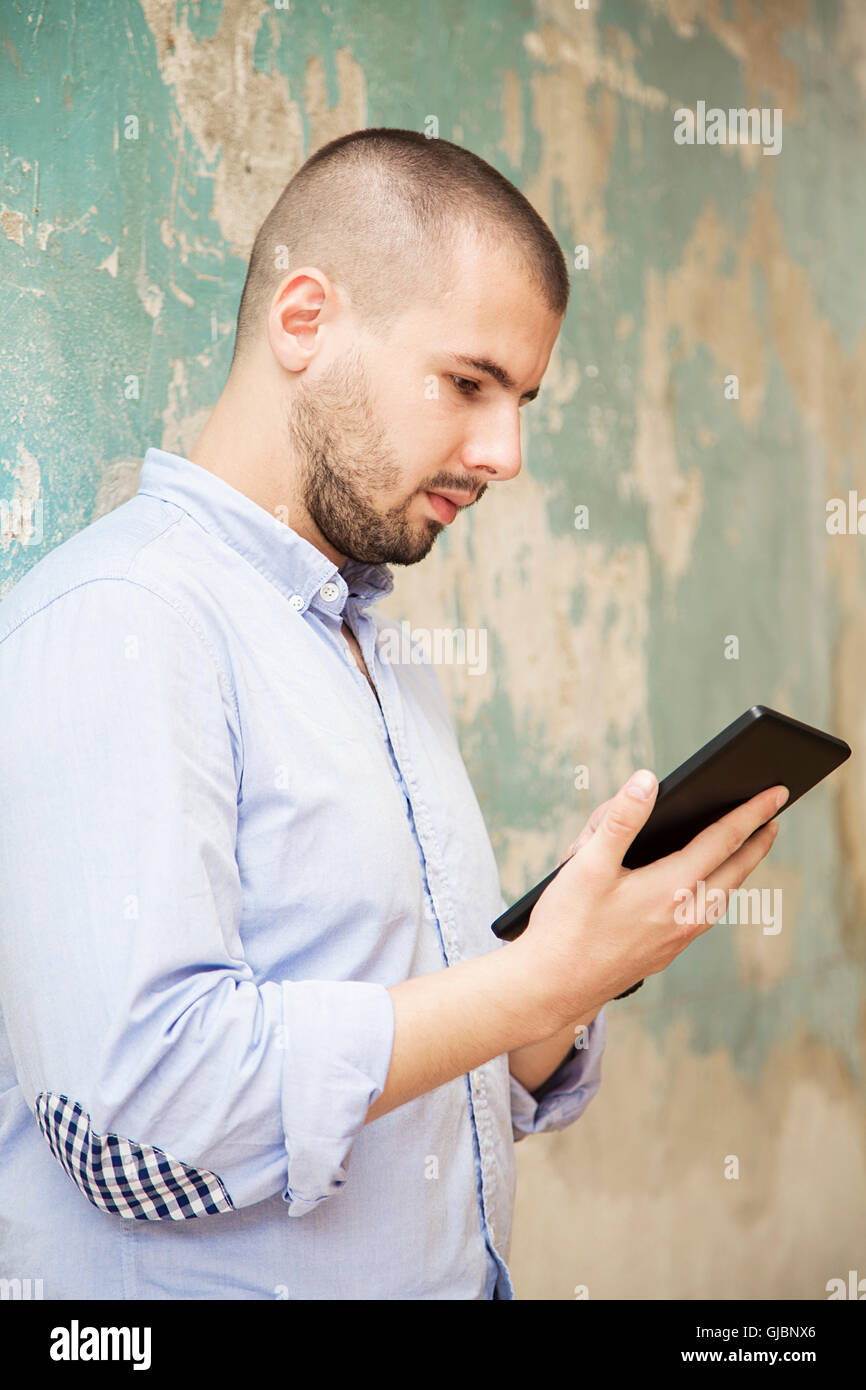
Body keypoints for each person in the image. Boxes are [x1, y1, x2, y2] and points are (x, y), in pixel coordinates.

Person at [0, 128, 784, 1300]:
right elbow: (139, 1129)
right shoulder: (123, 618)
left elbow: (417, 1083)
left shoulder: (384, 652)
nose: (505, 452)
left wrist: (566, 973)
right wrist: (524, 985)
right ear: (303, 319)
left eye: (521, 399)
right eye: (469, 384)